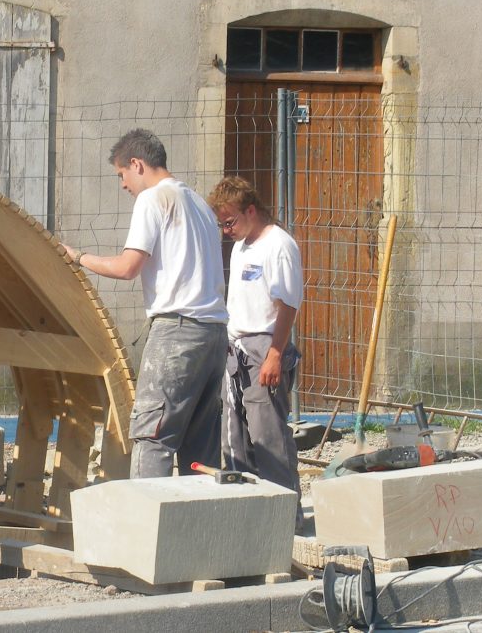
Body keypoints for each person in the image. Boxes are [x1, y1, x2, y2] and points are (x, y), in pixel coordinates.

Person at [61, 129, 229, 478]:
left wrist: (78, 257)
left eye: (122, 175)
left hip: (177, 333)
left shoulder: (153, 200)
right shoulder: (199, 203)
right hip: (213, 335)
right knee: (200, 451)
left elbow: (127, 267)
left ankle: (144, 528)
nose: (123, 185)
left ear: (137, 164)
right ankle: (196, 530)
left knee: (153, 438)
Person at [208, 175, 304, 527]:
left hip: (265, 346)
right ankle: (245, 518)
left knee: (269, 437)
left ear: (251, 210)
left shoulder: (278, 246)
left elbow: (288, 306)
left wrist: (275, 355)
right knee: (235, 438)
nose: (226, 230)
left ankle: (284, 520)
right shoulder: (242, 245)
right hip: (236, 348)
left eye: (229, 221)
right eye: (221, 224)